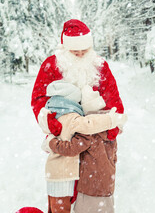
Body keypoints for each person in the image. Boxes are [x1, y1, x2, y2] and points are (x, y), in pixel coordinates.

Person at [31, 19, 124, 211]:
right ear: (65, 48)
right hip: (64, 139)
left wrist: (111, 129)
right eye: (75, 52)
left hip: (97, 143)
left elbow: (114, 100)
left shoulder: (100, 66)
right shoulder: (51, 65)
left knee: (94, 197)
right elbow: (39, 98)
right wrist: (50, 121)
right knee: (62, 194)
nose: (81, 54)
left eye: (85, 50)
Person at [42, 80, 127, 213]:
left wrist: (50, 142)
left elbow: (72, 147)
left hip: (84, 181)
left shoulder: (58, 119)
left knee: (56, 207)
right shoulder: (109, 131)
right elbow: (114, 155)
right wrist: (113, 120)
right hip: (105, 183)